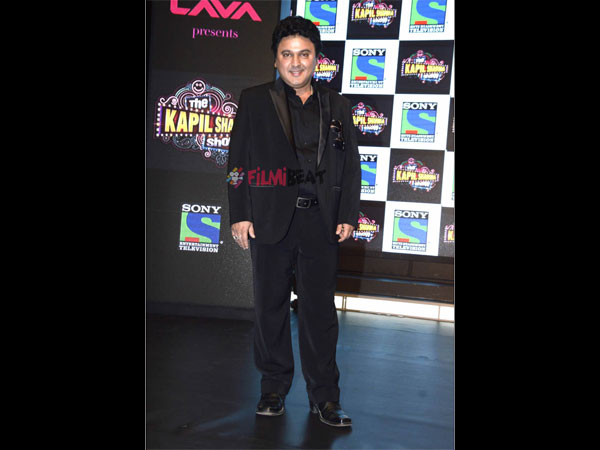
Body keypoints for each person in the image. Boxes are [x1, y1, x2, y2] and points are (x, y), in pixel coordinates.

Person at [227, 15, 360, 428]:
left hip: (320, 222)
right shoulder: (254, 100)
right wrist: (240, 213)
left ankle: (326, 398)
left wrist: (347, 213)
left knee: (320, 313)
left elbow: (351, 164)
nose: (296, 62)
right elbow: (236, 164)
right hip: (269, 221)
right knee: (270, 308)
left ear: (316, 58)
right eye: (287, 54)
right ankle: (273, 388)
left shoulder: (337, 105)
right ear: (276, 59)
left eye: (304, 54)